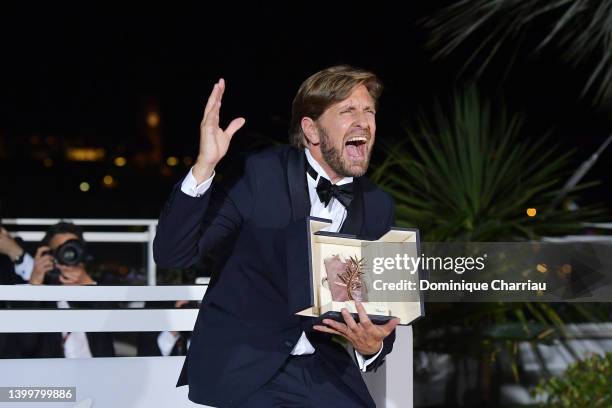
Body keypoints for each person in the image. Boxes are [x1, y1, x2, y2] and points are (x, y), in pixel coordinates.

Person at [154, 65, 399, 407]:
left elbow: (378, 306)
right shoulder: (259, 174)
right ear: (311, 130)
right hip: (246, 366)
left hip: (322, 366)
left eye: (368, 111)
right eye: (347, 111)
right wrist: (204, 167)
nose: (363, 121)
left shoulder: (378, 205)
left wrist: (373, 346)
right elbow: (173, 255)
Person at [19, 222, 115, 358]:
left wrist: (89, 286)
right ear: (48, 255)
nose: (67, 256)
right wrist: (34, 286)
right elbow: (25, 344)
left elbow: (114, 330)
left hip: (96, 374)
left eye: (71, 249)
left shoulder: (96, 291)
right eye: (59, 251)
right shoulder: (40, 296)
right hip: (51, 376)